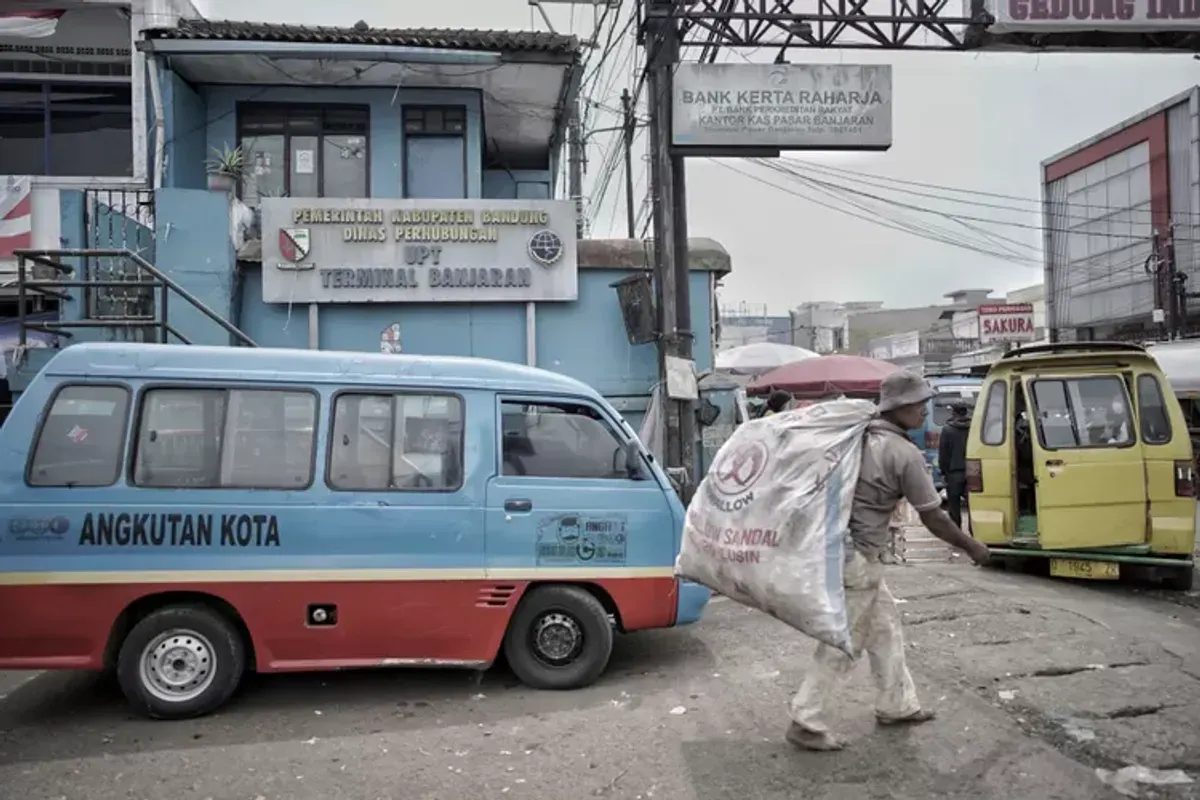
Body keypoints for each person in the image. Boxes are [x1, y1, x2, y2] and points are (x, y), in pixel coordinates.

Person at [786, 370, 992, 752]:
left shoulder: (858, 436)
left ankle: (896, 704)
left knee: (885, 629)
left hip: (840, 549)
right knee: (844, 641)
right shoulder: (903, 453)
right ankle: (805, 718)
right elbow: (933, 516)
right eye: (919, 405)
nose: (923, 411)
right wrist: (971, 547)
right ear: (900, 408)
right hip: (859, 557)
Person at [937, 401, 972, 528]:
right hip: (973, 471)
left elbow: (944, 453)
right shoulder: (974, 427)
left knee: (954, 505)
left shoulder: (947, 430)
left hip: (953, 472)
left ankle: (957, 532)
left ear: (954, 413)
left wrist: (943, 471)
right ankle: (974, 531)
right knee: (972, 504)